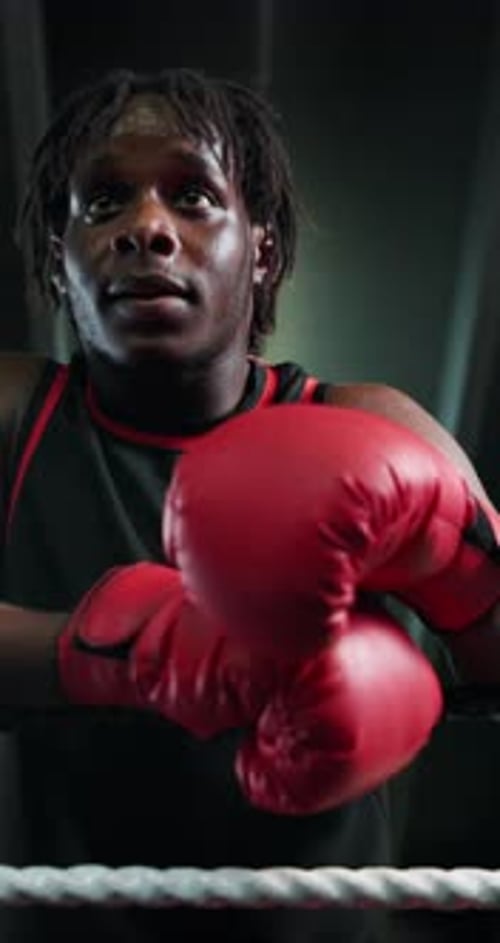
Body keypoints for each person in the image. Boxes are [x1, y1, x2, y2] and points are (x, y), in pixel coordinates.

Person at [0, 66, 496, 943]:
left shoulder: (362, 422)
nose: (146, 228)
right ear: (56, 256)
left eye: (193, 197)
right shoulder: (12, 416)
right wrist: (110, 652)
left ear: (260, 251)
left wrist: (465, 576)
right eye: (103, 202)